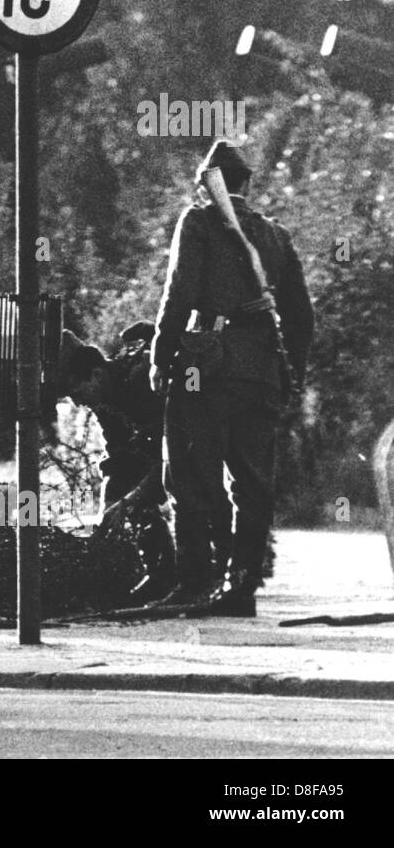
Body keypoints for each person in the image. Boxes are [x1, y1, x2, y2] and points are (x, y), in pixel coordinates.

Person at [149, 140, 314, 616]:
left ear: (207, 184)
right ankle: (241, 588)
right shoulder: (276, 236)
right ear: (246, 184)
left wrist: (162, 354)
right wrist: (293, 376)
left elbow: (178, 293)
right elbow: (301, 317)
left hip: (205, 368)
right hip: (261, 372)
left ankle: (196, 583)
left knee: (191, 473)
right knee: (254, 485)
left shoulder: (199, 221)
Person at [60, 322, 183, 602]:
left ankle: (203, 577)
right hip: (170, 449)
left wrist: (131, 500)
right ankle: (162, 576)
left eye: (79, 393)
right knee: (127, 496)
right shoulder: (104, 399)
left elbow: (174, 455)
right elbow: (119, 458)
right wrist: (109, 507)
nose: (80, 404)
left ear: (96, 374)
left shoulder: (142, 382)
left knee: (191, 496)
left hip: (199, 436)